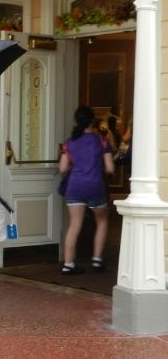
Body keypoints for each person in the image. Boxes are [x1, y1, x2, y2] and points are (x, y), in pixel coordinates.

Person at [59, 106, 114, 274]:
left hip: (75, 186)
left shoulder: (69, 143)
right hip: (95, 185)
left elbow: (62, 169)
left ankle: (68, 264)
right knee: (102, 220)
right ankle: (97, 260)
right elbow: (110, 168)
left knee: (74, 224)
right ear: (92, 121)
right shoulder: (102, 140)